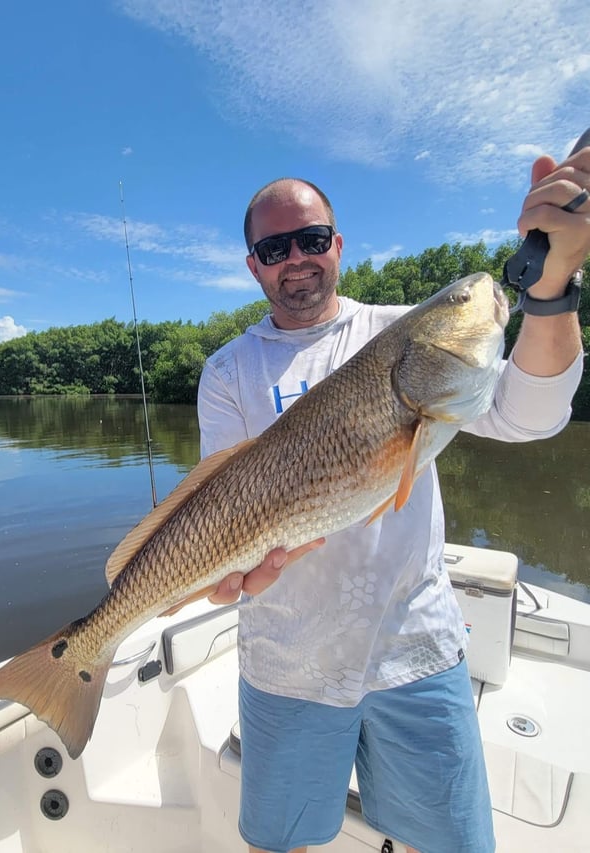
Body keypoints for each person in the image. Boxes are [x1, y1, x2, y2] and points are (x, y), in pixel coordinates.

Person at [197, 144, 589, 853]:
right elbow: (219, 505)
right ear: (253, 263)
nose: (297, 258)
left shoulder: (397, 331)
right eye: (275, 246)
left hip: (418, 649)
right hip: (287, 660)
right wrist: (223, 576)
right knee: (277, 845)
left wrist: (553, 285)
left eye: (313, 239)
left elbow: (531, 414)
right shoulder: (227, 370)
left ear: (338, 245)